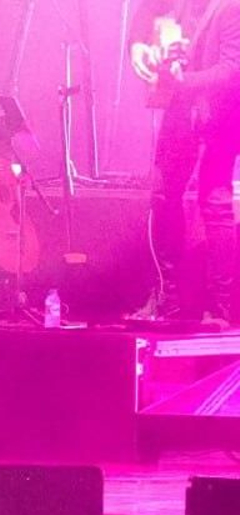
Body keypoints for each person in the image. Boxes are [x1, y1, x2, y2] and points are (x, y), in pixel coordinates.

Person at [129, 0, 240, 327]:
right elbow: (147, 9)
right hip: (181, 110)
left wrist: (183, 81)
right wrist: (138, 45)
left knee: (215, 201)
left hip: (221, 114)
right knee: (163, 196)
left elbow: (233, 70)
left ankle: (220, 309)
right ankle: (168, 298)